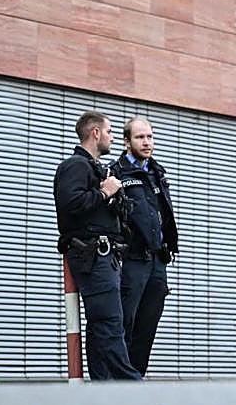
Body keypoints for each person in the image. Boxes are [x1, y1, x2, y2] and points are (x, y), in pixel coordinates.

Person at [53, 111, 142, 381]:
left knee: (100, 326)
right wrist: (105, 192)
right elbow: (70, 205)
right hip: (93, 253)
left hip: (105, 255)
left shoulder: (95, 169)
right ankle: (132, 387)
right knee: (109, 323)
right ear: (95, 133)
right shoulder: (75, 166)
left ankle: (103, 390)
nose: (113, 138)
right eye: (111, 131)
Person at [112, 117, 179, 377]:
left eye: (150, 137)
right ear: (127, 141)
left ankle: (135, 381)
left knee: (148, 326)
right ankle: (120, 382)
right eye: (140, 137)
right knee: (125, 323)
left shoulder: (156, 172)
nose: (147, 142)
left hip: (157, 262)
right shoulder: (116, 172)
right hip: (132, 261)